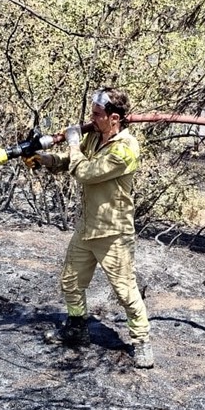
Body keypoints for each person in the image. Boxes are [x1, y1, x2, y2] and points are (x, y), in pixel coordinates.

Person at [34, 87, 153, 368]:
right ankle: (77, 328)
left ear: (114, 118)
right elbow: (70, 163)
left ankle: (142, 340)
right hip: (87, 227)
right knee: (71, 282)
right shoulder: (94, 137)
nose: (91, 118)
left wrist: (73, 145)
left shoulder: (126, 149)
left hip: (113, 233)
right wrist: (46, 160)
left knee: (124, 290)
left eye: (97, 114)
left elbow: (87, 173)